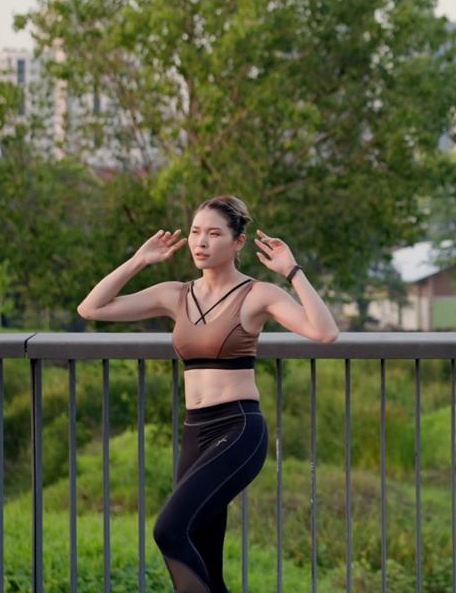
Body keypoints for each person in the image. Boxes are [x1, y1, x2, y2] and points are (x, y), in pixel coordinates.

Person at [77, 195, 339, 592]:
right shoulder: (174, 294)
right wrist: (140, 260)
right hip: (193, 432)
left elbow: (325, 332)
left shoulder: (258, 295)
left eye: (214, 233)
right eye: (196, 232)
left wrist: (293, 272)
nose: (201, 242)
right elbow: (91, 308)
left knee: (169, 530)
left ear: (238, 242)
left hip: (238, 429)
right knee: (204, 553)